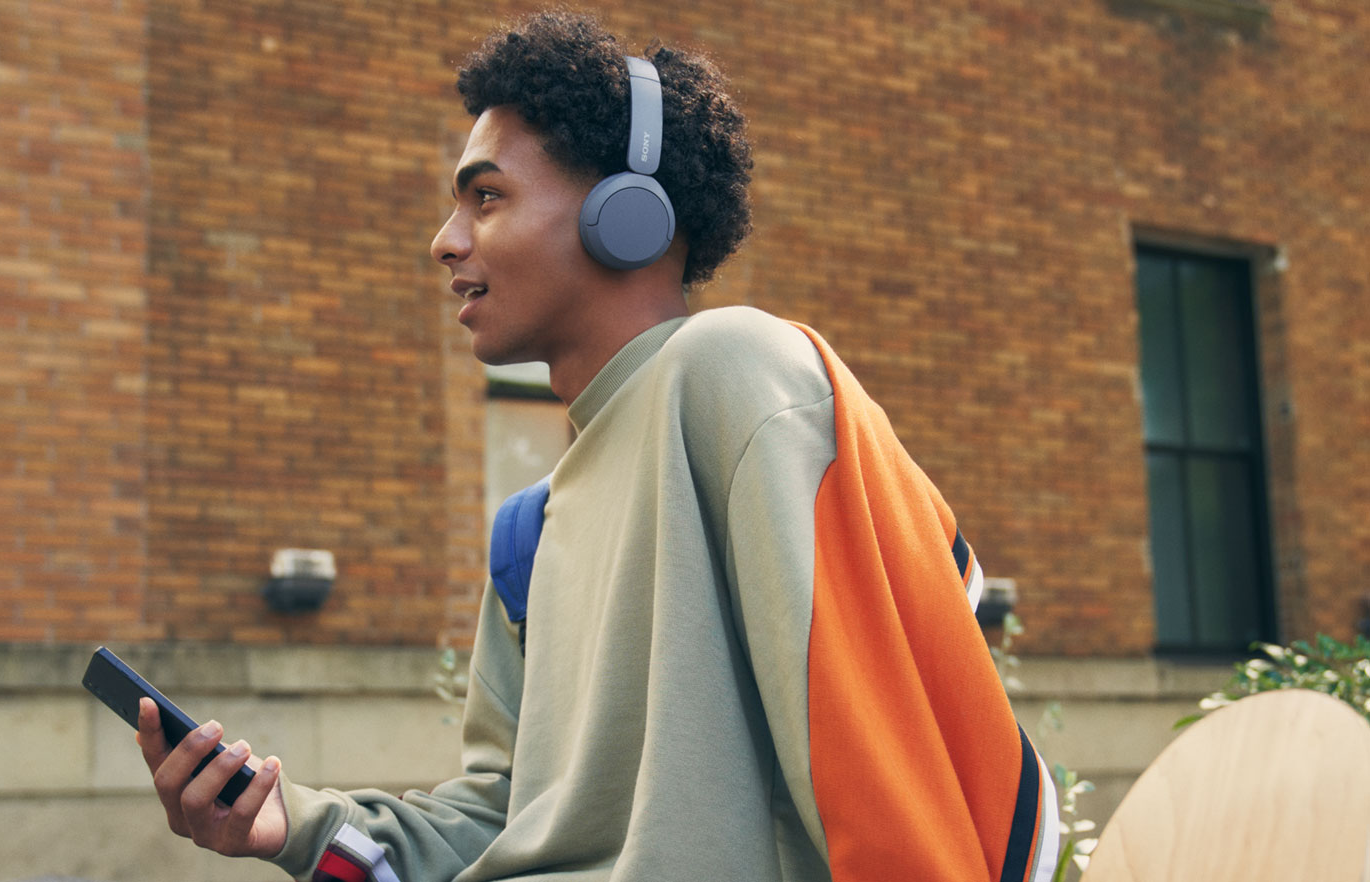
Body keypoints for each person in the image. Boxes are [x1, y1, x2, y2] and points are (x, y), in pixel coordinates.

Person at [137, 11, 1058, 882]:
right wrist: (290, 825)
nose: (444, 241)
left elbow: (877, 753)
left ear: (628, 215)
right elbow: (508, 820)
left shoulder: (735, 372)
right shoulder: (525, 534)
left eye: (486, 197)